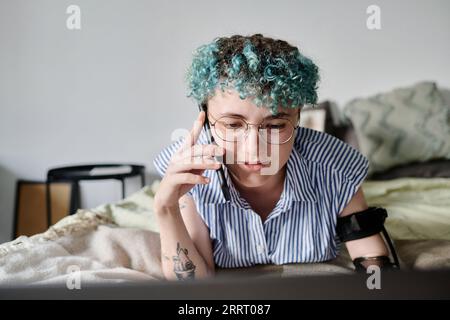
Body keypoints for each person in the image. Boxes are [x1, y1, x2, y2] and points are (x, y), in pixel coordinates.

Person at [153, 34, 390, 281]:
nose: (254, 148)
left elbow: (371, 258)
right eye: (232, 125)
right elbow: (195, 285)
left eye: (275, 126)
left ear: (298, 118)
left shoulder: (336, 167)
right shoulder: (189, 174)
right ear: (205, 120)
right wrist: (165, 208)